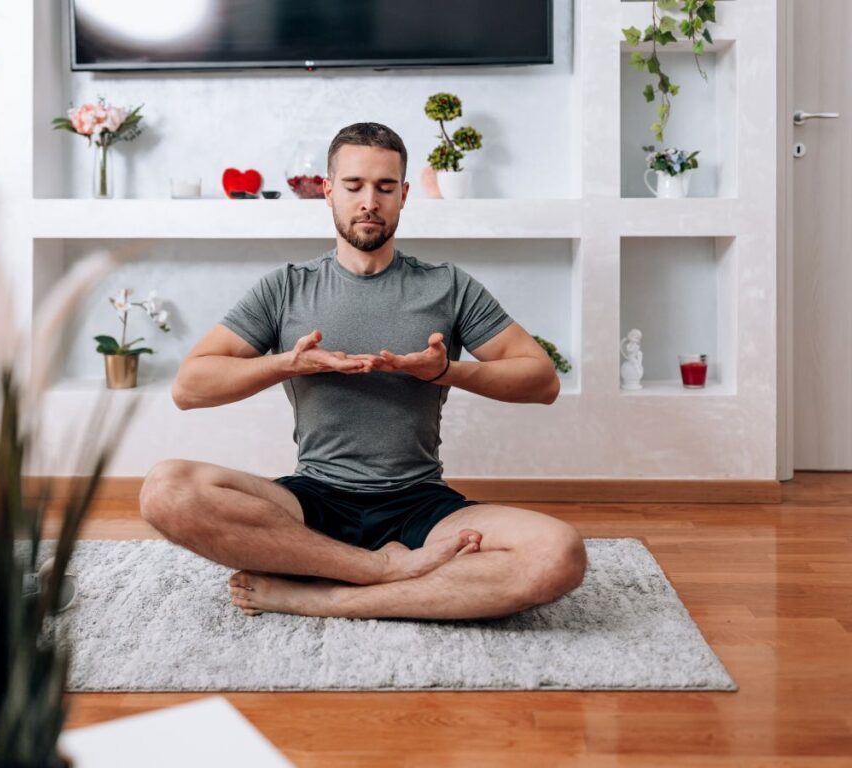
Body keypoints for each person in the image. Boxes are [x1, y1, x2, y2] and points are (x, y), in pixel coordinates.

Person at [140, 122, 587, 620]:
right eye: (353, 186)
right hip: (312, 502)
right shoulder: (285, 288)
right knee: (166, 488)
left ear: (404, 196)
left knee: (558, 553)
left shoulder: (448, 286)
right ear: (328, 192)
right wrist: (290, 362)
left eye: (384, 187)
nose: (369, 201)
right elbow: (190, 387)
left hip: (420, 503)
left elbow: (541, 381)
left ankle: (330, 597)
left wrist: (445, 373)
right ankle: (379, 570)